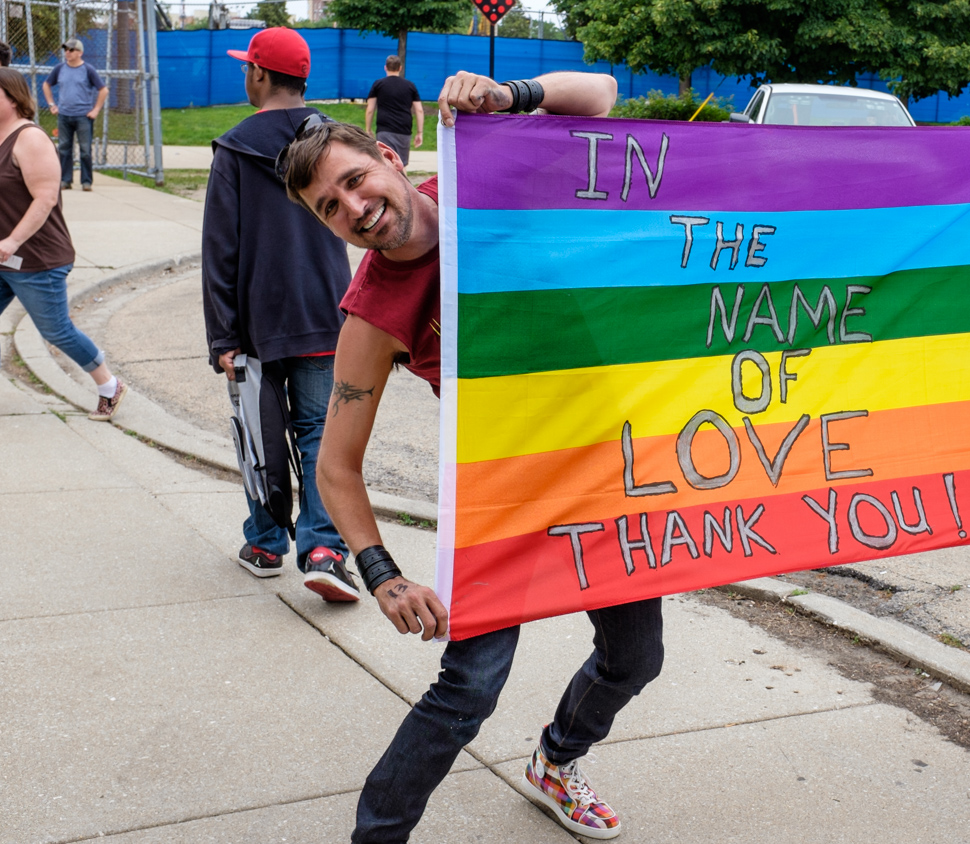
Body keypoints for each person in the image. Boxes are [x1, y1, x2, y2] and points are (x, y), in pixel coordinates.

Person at [281, 70, 654, 843]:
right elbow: (335, 463)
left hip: (605, 472)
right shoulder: (374, 309)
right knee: (468, 689)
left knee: (635, 659)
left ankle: (557, 761)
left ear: (388, 156)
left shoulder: (485, 175)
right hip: (506, 495)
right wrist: (382, 574)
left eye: (355, 181)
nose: (354, 208)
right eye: (330, 208)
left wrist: (509, 95)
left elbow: (602, 97)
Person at [202, 26, 356, 599]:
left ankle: (266, 543)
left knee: (258, 435)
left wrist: (223, 335)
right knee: (320, 431)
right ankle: (322, 548)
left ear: (259, 75)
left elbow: (222, 248)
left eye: (248, 67)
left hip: (255, 323)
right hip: (325, 309)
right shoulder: (334, 140)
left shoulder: (235, 148)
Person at [0, 68, 125, 420]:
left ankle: (109, 385)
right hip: (5, 257)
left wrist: (12, 240)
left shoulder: (30, 139)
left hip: (37, 258)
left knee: (55, 330)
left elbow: (45, 199)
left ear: (12, 97)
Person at [42, 38, 107, 191]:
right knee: (64, 148)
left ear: (80, 53)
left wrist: (95, 109)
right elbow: (46, 84)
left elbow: (103, 90)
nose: (67, 53)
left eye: (71, 50)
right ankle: (65, 180)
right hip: (64, 115)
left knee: (85, 150)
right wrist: (52, 105)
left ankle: (86, 181)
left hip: (83, 116)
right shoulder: (60, 68)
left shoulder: (88, 70)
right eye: (66, 50)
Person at [364, 56, 422, 166]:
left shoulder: (378, 84)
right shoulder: (410, 85)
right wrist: (420, 132)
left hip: (384, 129)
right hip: (404, 129)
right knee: (401, 164)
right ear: (400, 68)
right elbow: (419, 110)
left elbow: (370, 109)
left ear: (385, 67)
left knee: (386, 162)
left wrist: (368, 129)